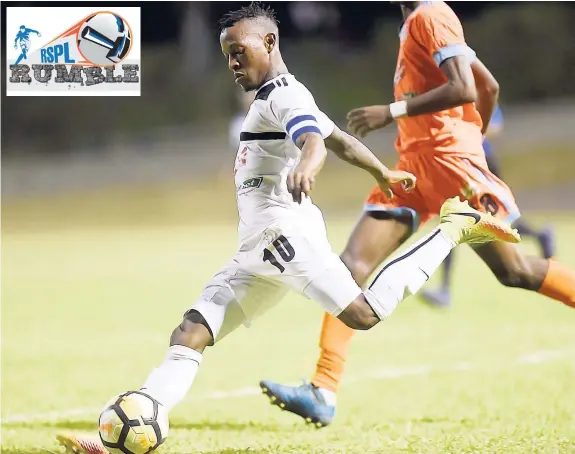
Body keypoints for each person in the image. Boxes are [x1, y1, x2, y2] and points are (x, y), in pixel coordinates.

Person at [56, 3, 519, 453]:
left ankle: (452, 227)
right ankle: (132, 423)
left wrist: (309, 167)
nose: (233, 63)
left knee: (362, 314)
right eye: (227, 56)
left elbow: (315, 141)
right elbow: (339, 138)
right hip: (254, 252)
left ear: (270, 41)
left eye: (239, 51)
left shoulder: (285, 95)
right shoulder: (280, 92)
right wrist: (382, 173)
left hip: (285, 239)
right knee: (191, 331)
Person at [259, 0, 575, 429]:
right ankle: (323, 389)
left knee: (514, 271)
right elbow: (489, 87)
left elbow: (466, 87)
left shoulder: (430, 15)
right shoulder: (414, 23)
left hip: (449, 167)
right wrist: (464, 133)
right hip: (412, 171)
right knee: (351, 266)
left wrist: (401, 116)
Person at [421, 104, 556, 308]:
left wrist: (469, 132)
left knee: (489, 220)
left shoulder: (474, 89)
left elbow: (496, 126)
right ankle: (444, 289)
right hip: (461, 164)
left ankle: (445, 290)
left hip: (480, 164)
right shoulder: (453, 93)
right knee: (453, 219)